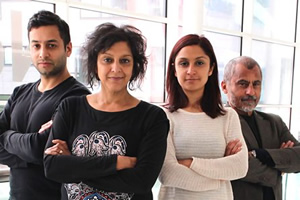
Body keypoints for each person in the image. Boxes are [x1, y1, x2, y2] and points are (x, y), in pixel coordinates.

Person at [43, 23, 169, 200]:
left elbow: (142, 181)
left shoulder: (152, 118)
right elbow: (52, 167)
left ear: (135, 66)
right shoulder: (70, 108)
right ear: (95, 64)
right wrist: (115, 162)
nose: (116, 69)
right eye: (108, 60)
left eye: (124, 61)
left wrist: (74, 165)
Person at [0, 10, 90, 200]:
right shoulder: (19, 93)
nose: (43, 53)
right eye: (36, 45)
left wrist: (6, 136)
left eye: (51, 45)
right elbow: (38, 151)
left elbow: (38, 147)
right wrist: (34, 154)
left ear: (68, 48)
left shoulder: (77, 97)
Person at [158, 34, 248, 200]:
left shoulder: (228, 117)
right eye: (184, 63)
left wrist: (190, 163)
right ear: (174, 69)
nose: (191, 70)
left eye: (199, 63)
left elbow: (240, 167)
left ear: (211, 68)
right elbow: (168, 174)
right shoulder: (162, 117)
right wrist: (219, 176)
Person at [221, 56, 300, 200]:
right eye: (243, 84)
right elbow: (238, 167)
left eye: (256, 84)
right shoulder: (218, 123)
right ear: (225, 87)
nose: (250, 91)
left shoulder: (274, 122)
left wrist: (259, 154)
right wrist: (278, 168)